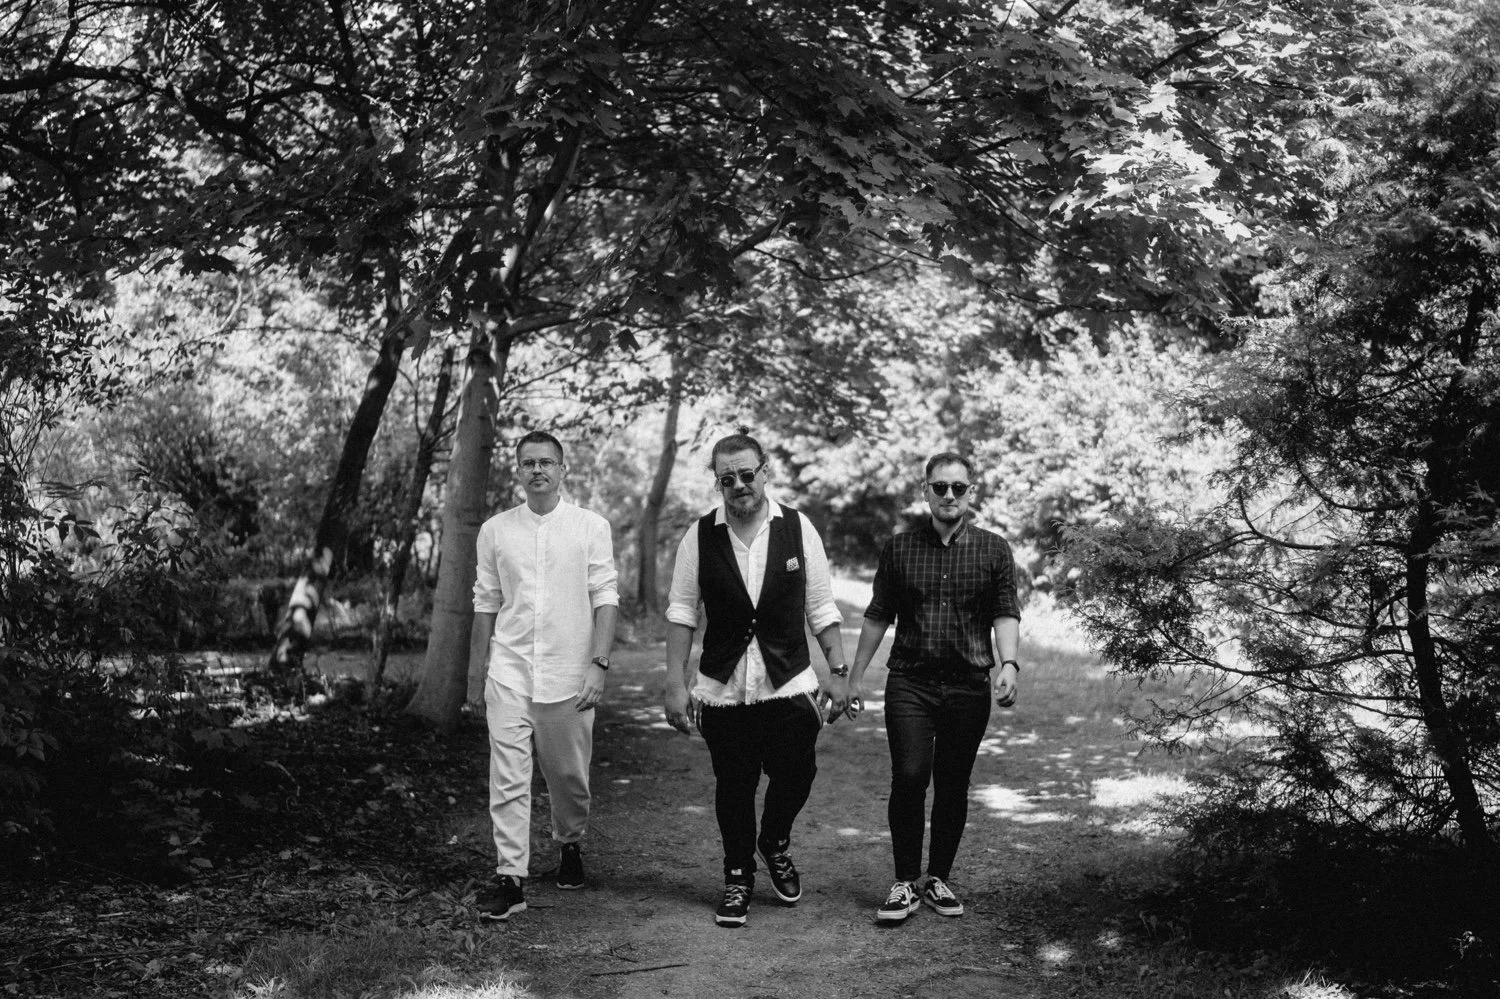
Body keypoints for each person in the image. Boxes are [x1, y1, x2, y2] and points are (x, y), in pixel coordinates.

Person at [662, 431, 851, 927]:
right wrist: (675, 684)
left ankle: (774, 841)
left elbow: (821, 607)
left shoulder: (799, 528)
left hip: (788, 683)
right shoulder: (699, 536)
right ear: (718, 482)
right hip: (723, 688)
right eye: (728, 479)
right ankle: (738, 876)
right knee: (734, 785)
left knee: (798, 772)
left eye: (748, 474)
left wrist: (838, 672)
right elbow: (682, 613)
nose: (740, 485)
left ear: (765, 471)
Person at [849, 451, 1021, 924]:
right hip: (911, 682)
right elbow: (878, 614)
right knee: (909, 776)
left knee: (952, 782)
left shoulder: (994, 549)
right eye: (940, 486)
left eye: (958, 487)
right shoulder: (900, 548)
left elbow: (1006, 612)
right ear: (925, 490)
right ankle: (905, 881)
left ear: (971, 492)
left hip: (968, 686)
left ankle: (937, 878)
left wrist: (1009, 664)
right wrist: (855, 675)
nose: (949, 495)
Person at [471, 430, 619, 921]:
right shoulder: (495, 530)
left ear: (562, 470)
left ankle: (569, 842)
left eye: (546, 462)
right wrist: (477, 673)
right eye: (528, 462)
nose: (537, 470)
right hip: (510, 672)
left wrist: (598, 663)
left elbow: (605, 596)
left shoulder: (590, 527)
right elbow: (486, 601)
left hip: (569, 675)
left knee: (569, 777)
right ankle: (510, 879)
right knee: (508, 779)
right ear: (518, 470)